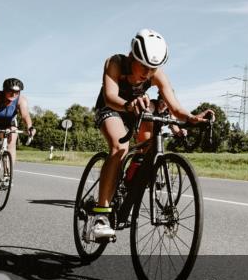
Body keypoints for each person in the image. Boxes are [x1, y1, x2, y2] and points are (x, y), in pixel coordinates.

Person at [89, 29, 213, 242]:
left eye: (153, 67)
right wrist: (129, 104)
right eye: (144, 66)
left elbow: (175, 108)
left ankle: (127, 185)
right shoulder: (116, 63)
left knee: (148, 148)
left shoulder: (156, 75)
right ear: (132, 57)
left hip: (137, 111)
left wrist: (193, 118)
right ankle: (101, 217)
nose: (148, 73)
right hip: (111, 108)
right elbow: (110, 96)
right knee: (120, 148)